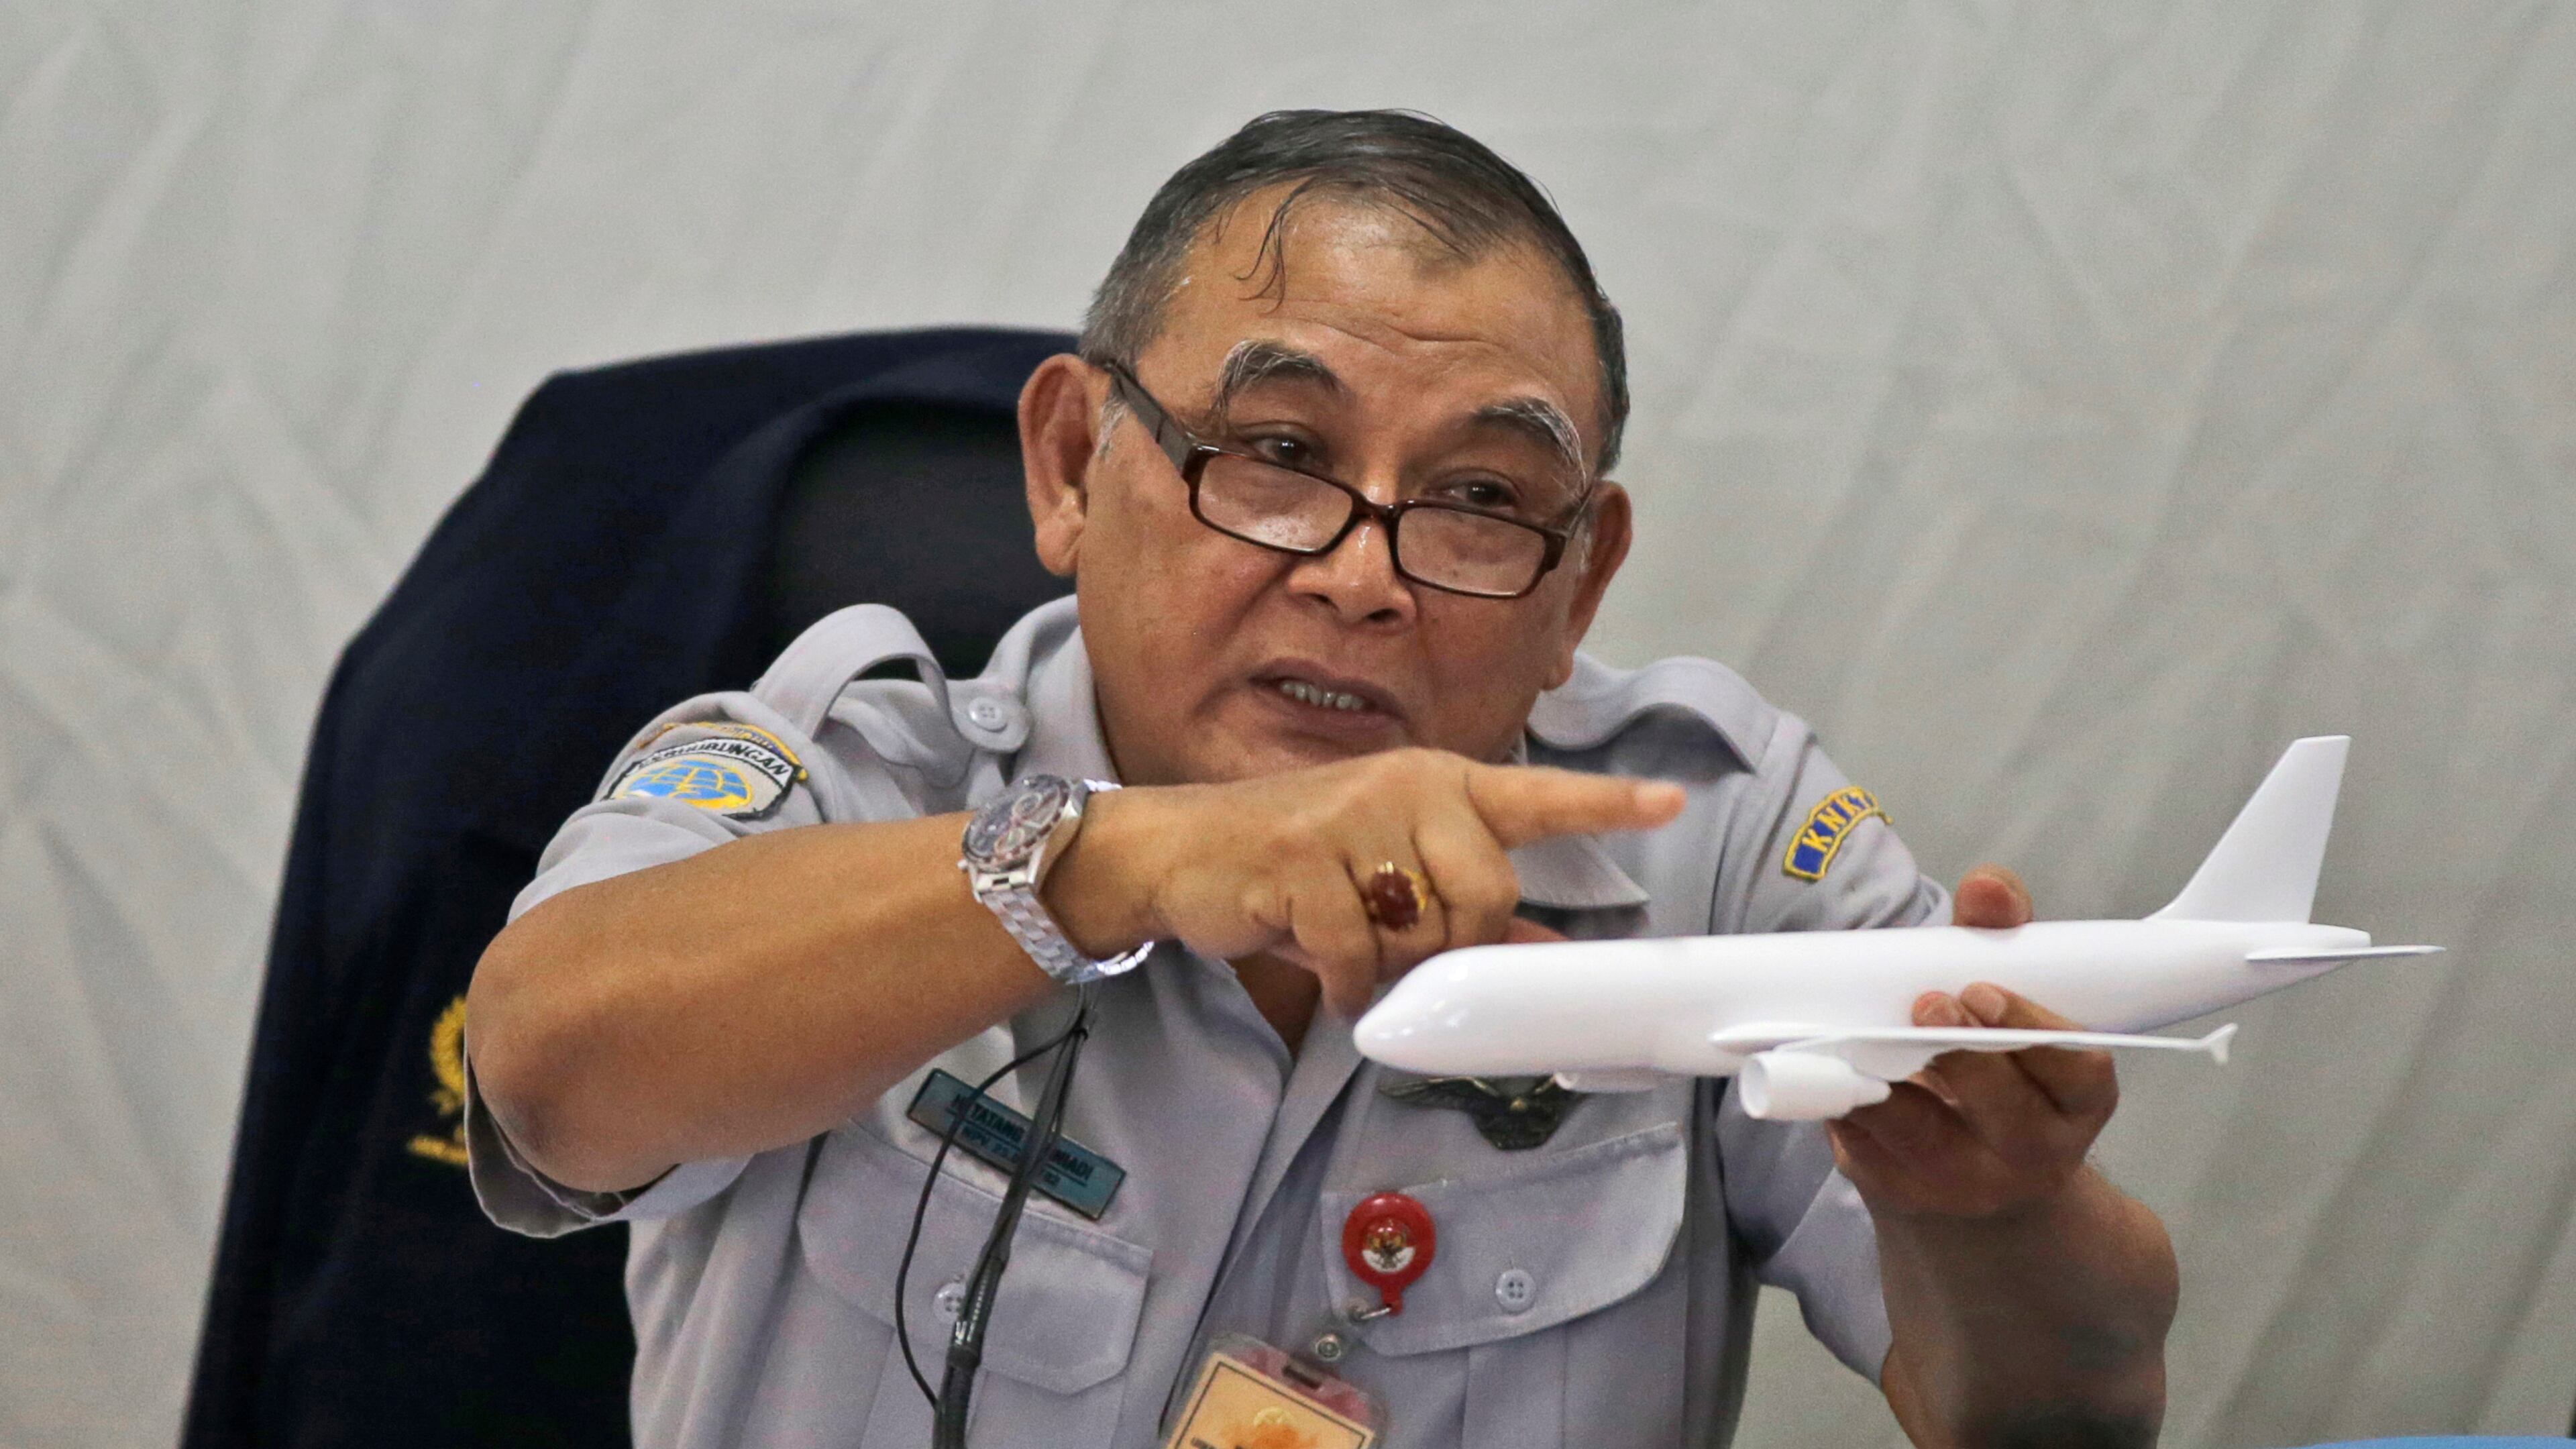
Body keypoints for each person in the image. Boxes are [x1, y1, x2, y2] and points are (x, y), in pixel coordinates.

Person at [466, 109, 2176, 1448]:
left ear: (1581, 582)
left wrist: (1999, 1221)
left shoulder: (1712, 842)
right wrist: (1108, 865)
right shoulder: (860, 766)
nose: (1365, 575)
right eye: (1278, 457)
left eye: (1484, 500)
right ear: (1071, 465)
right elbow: (546, 1079)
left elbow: (2054, 1422)